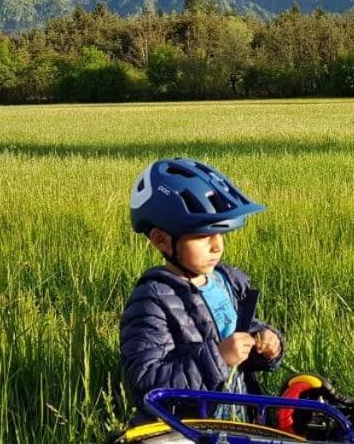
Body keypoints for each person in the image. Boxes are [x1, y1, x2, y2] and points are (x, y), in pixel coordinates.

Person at [120, 158, 284, 418]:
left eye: (220, 234)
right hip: (190, 435)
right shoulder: (152, 301)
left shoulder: (226, 281)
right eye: (202, 236)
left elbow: (241, 330)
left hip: (240, 425)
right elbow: (146, 382)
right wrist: (219, 358)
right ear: (161, 240)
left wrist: (264, 342)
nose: (217, 246)